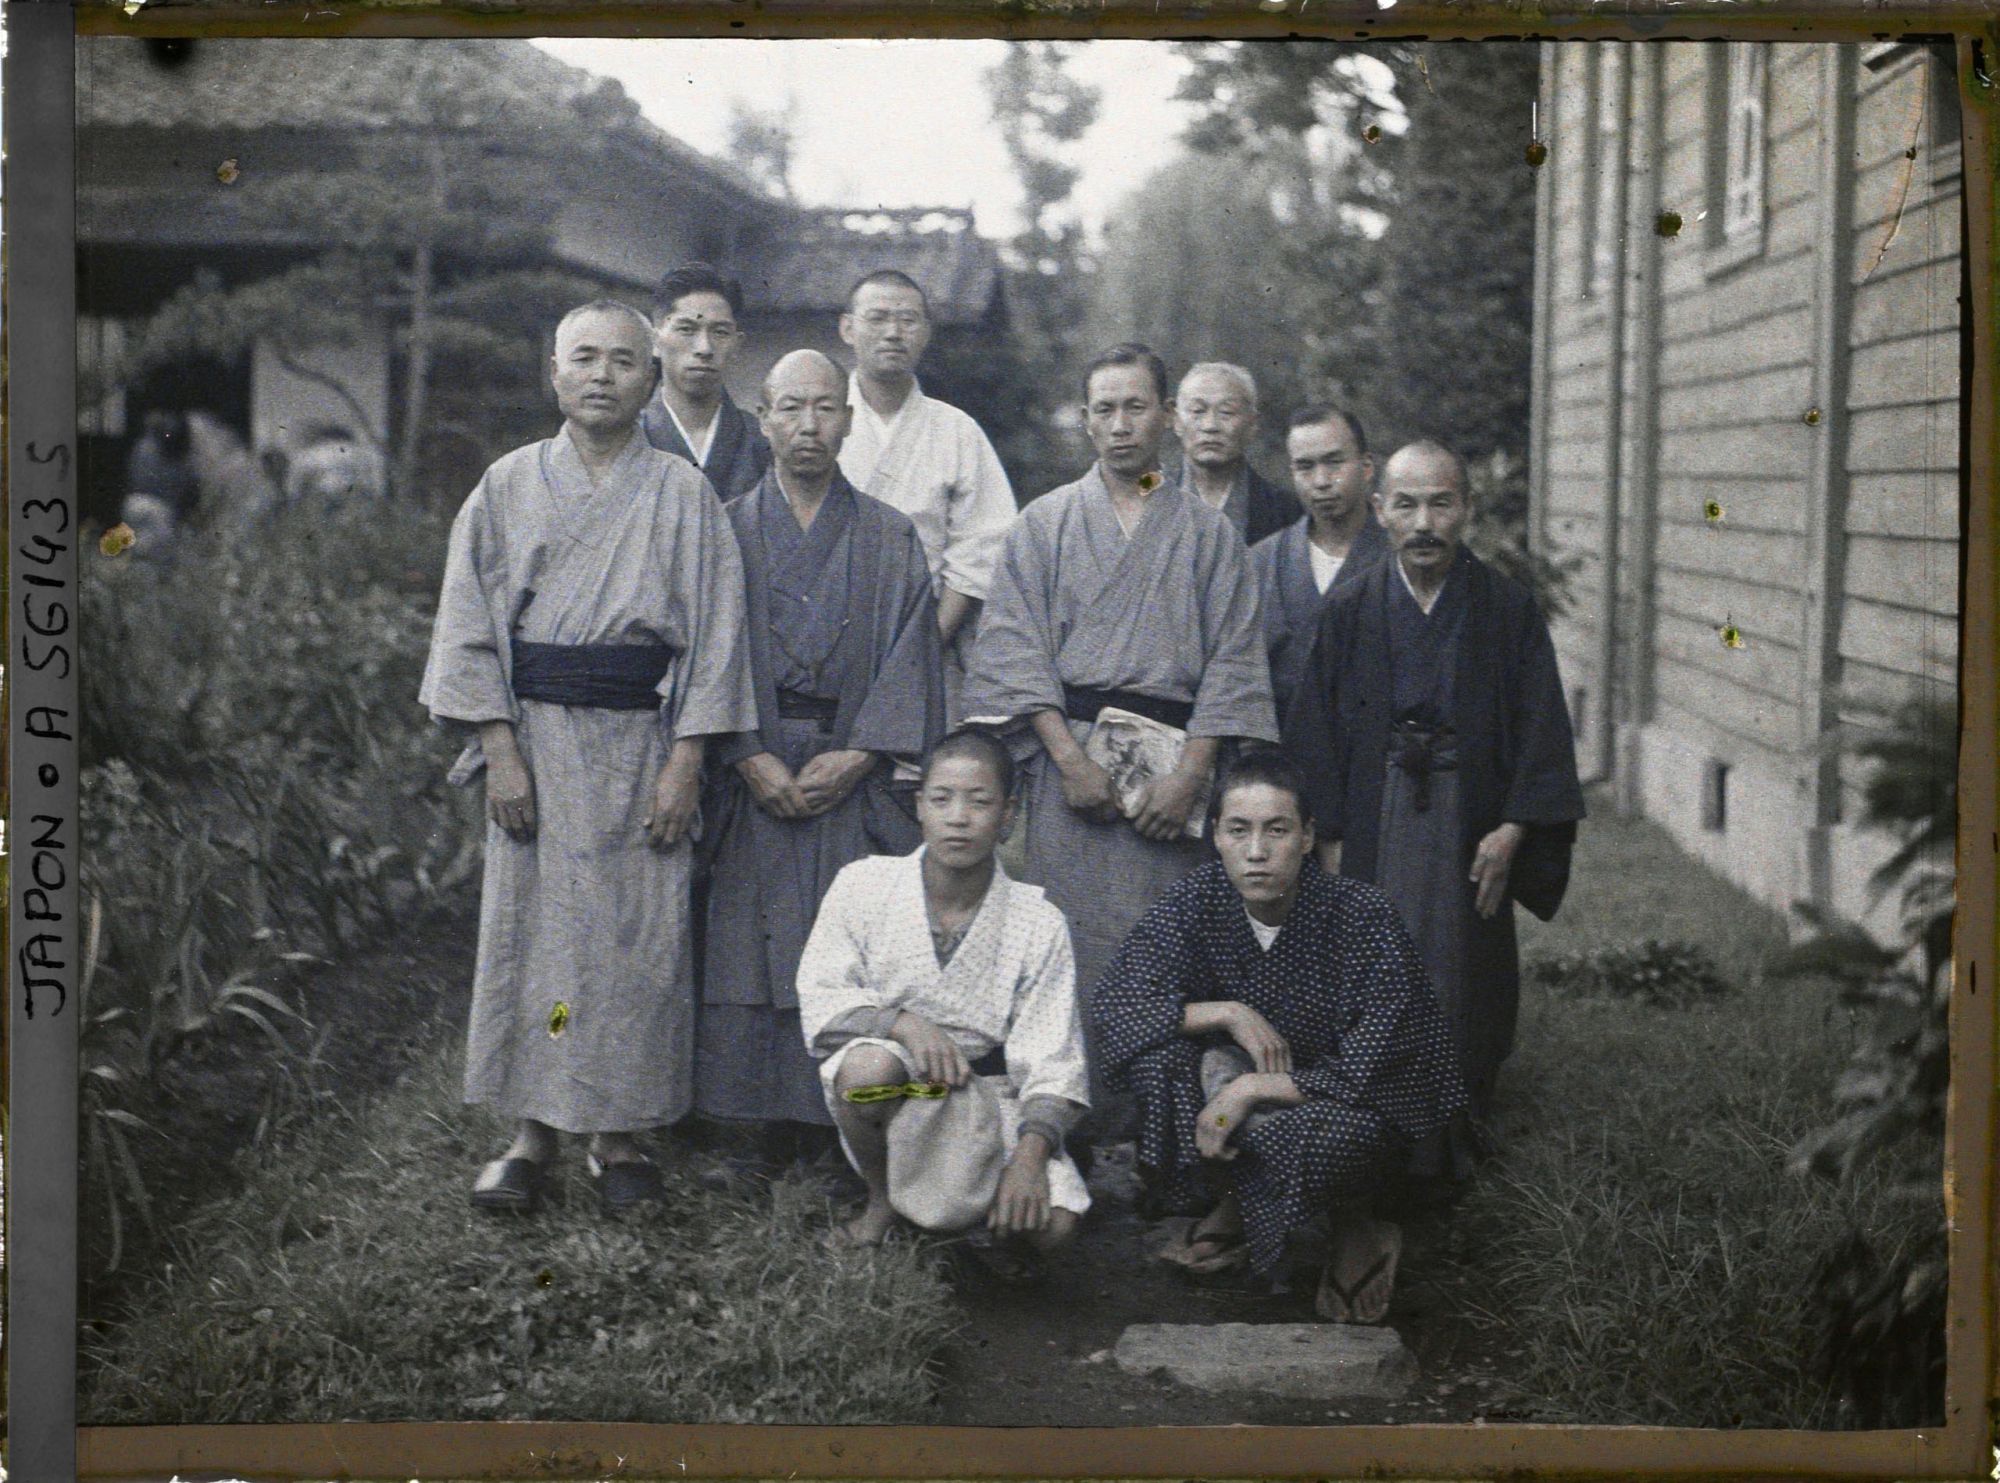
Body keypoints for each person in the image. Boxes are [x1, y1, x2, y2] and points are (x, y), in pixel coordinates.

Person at [419, 299, 756, 1215]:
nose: (602, 374)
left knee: (635, 943)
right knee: (538, 939)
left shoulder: (683, 496)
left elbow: (716, 638)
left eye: (621, 360)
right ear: (553, 373)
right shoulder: (506, 486)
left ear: (650, 377)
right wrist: (499, 749)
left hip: (644, 746)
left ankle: (618, 1134)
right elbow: (469, 627)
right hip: (537, 744)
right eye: (583, 357)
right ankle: (530, 1132)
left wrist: (688, 761)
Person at [963, 342, 1277, 1107]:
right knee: (1066, 947)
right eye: (1103, 408)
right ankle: (1070, 1117)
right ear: (1085, 420)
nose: (1119, 424)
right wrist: (1068, 760)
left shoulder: (1207, 536)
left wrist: (1192, 776)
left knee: (1169, 949)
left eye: (1136, 406)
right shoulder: (1045, 524)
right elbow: (1014, 648)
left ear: (1167, 418)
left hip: (1174, 781)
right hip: (1072, 768)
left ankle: (1160, 1128)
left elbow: (1234, 663)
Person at [1283, 440, 1585, 1164]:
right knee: (1369, 963)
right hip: (1376, 810)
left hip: (1467, 814)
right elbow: (1316, 730)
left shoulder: (1506, 609)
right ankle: (1370, 1135)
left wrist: (1514, 827)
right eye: (1408, 503)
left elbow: (1542, 725)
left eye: (1441, 502)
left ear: (1467, 510)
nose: (1424, 521)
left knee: (1461, 966)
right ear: (1380, 509)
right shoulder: (1353, 606)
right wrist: (1328, 834)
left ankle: (1455, 1134)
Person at [1091, 749, 1467, 1320]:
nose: (1257, 852)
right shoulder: (1198, 899)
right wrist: (1229, 1012)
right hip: (1245, 1093)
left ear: (1308, 836)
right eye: (1238, 830)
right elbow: (1119, 1003)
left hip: (1344, 1102)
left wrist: (1246, 1092)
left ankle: (1358, 1227)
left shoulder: (1361, 914)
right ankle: (1236, 1202)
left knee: (1331, 1139)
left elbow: (1379, 1065)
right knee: (1159, 1062)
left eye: (1277, 830)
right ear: (1215, 835)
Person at [698, 349, 946, 1151]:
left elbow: (913, 653)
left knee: (848, 936)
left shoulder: (889, 534)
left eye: (826, 408)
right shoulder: (724, 529)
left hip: (850, 765)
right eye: (791, 408)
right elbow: (703, 653)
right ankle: (745, 1120)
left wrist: (868, 753)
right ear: (763, 418)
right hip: (755, 765)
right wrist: (742, 752)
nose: (809, 426)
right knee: (745, 935)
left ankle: (842, 1122)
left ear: (847, 418)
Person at [797, 729, 1091, 1260]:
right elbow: (822, 997)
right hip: (904, 1094)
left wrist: (1028, 1159)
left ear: (1008, 815)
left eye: (980, 802)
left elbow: (1054, 1060)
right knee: (865, 1072)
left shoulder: (1038, 921)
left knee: (1055, 1227)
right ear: (920, 807)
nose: (959, 817)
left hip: (990, 1096)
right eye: (942, 799)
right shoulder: (864, 885)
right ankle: (882, 1201)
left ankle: (973, 1227)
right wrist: (904, 1025)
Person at [836, 269, 1016, 721]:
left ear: (926, 333)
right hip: (825, 639)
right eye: (877, 318)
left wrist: (927, 643)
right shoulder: (819, 416)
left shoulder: (957, 431)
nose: (894, 332)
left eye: (908, 320)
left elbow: (982, 548)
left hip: (930, 637)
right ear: (847, 328)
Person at [1248, 404, 1390, 715]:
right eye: (1305, 467)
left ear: (1366, 467)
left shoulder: (1399, 558)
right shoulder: (1262, 561)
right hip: (1281, 751)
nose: (1321, 480)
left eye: (1334, 462)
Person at [641, 262, 772, 500]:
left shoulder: (765, 442)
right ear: (654, 341)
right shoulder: (626, 438)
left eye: (720, 332)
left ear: (736, 343)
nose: (704, 348)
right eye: (687, 329)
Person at [1171, 363, 1294, 547]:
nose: (1210, 425)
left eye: (1226, 412)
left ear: (1252, 424)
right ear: (1176, 422)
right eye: (1197, 411)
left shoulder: (1287, 512)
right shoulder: (1146, 501)